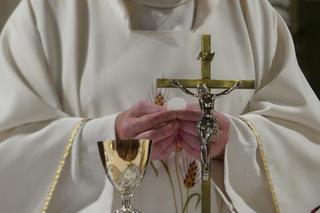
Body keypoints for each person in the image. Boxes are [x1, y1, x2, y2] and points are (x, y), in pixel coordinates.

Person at [0, 0, 319, 212]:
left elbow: (305, 139)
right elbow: (10, 150)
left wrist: (236, 142)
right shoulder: (47, 14)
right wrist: (105, 141)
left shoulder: (253, 14)